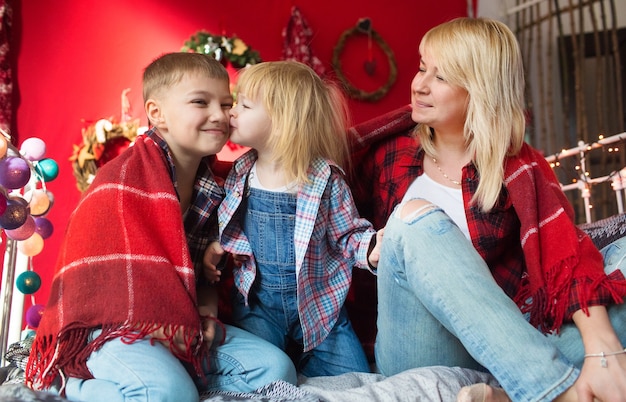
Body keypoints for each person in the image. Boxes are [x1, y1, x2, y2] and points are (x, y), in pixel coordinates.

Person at [367, 18, 626, 402]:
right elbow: (329, 229)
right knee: (411, 220)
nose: (419, 85)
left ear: (479, 91)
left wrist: (604, 349)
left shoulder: (519, 167)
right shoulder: (389, 158)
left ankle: (505, 392)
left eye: (441, 77)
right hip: (423, 350)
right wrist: (370, 251)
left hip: (513, 339)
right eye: (423, 68)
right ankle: (556, 392)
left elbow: (566, 260)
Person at [25, 52, 297, 402]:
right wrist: (166, 322)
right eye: (201, 102)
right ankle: (69, 383)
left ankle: (164, 378)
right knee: (168, 394)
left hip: (179, 322)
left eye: (227, 103)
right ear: (157, 114)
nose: (219, 115)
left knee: (277, 371)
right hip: (111, 326)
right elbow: (103, 289)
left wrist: (205, 314)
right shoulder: (121, 181)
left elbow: (204, 274)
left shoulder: (217, 186)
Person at [218, 60, 382, 377]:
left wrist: (372, 248)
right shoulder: (241, 173)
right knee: (258, 373)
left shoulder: (325, 179)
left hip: (320, 310)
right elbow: (225, 226)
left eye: (245, 105)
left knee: (357, 380)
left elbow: (347, 235)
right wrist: (219, 248)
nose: (232, 111)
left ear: (282, 122)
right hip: (258, 307)